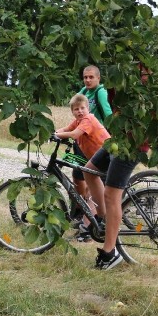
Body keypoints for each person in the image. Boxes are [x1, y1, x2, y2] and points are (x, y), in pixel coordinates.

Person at [83, 64, 150, 270]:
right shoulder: (118, 75)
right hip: (117, 140)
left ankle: (109, 253)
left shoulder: (146, 86)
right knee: (89, 170)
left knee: (112, 195)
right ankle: (103, 218)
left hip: (132, 145)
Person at [54, 94, 110, 242]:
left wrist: (59, 135)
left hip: (107, 156)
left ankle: (89, 229)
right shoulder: (78, 121)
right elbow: (66, 129)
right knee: (88, 190)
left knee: (91, 191)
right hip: (98, 160)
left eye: (82, 108)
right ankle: (89, 226)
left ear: (88, 108)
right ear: (72, 111)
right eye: (76, 109)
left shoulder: (88, 119)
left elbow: (73, 134)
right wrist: (53, 133)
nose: (80, 111)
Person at [69, 65, 113, 205]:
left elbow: (108, 114)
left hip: (93, 140)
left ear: (98, 78)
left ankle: (93, 211)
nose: (87, 80)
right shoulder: (83, 91)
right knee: (77, 175)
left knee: (90, 176)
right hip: (82, 140)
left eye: (91, 77)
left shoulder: (100, 92)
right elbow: (75, 109)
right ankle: (80, 209)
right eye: (85, 77)